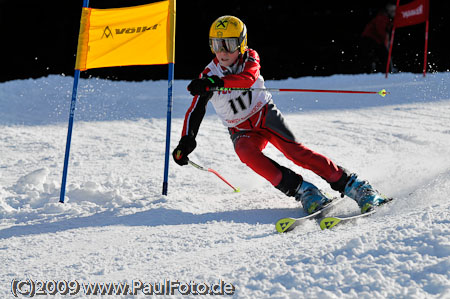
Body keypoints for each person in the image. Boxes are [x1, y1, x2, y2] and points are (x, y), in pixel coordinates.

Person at [172, 15, 390, 214]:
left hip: (265, 116)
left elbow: (247, 79)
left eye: (228, 45)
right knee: (245, 153)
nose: (222, 52)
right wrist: (187, 140)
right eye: (216, 45)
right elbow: (196, 109)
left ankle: (357, 187)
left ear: (241, 43)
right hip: (241, 129)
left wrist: (217, 83)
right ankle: (305, 192)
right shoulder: (210, 74)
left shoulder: (250, 58)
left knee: (296, 153)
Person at [360, 2, 396, 73]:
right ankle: (384, 72)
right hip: (370, 39)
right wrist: (385, 40)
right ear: (388, 10)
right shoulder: (382, 17)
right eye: (392, 11)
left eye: (394, 11)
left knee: (381, 55)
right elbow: (380, 30)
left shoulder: (386, 18)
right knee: (380, 55)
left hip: (375, 40)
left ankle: (384, 71)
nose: (394, 13)